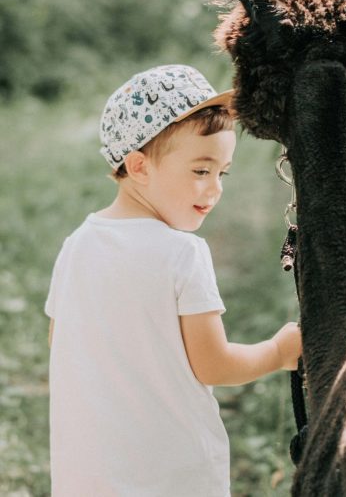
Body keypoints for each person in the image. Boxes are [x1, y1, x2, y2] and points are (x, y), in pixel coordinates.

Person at [44, 64, 302, 497]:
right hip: (173, 475)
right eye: (201, 171)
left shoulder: (78, 244)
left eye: (222, 173)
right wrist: (278, 352)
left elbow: (61, 342)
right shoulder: (182, 253)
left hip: (86, 475)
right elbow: (213, 364)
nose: (215, 188)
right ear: (139, 167)